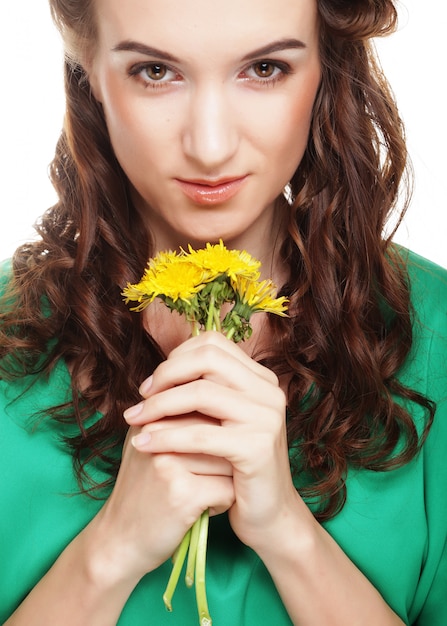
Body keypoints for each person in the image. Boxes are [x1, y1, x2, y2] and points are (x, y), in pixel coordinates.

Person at [0, 0, 446, 624]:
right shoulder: (6, 332)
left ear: (328, 62)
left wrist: (289, 534)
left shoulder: (436, 330)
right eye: (155, 72)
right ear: (88, 68)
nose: (210, 147)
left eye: (264, 68)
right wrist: (112, 551)